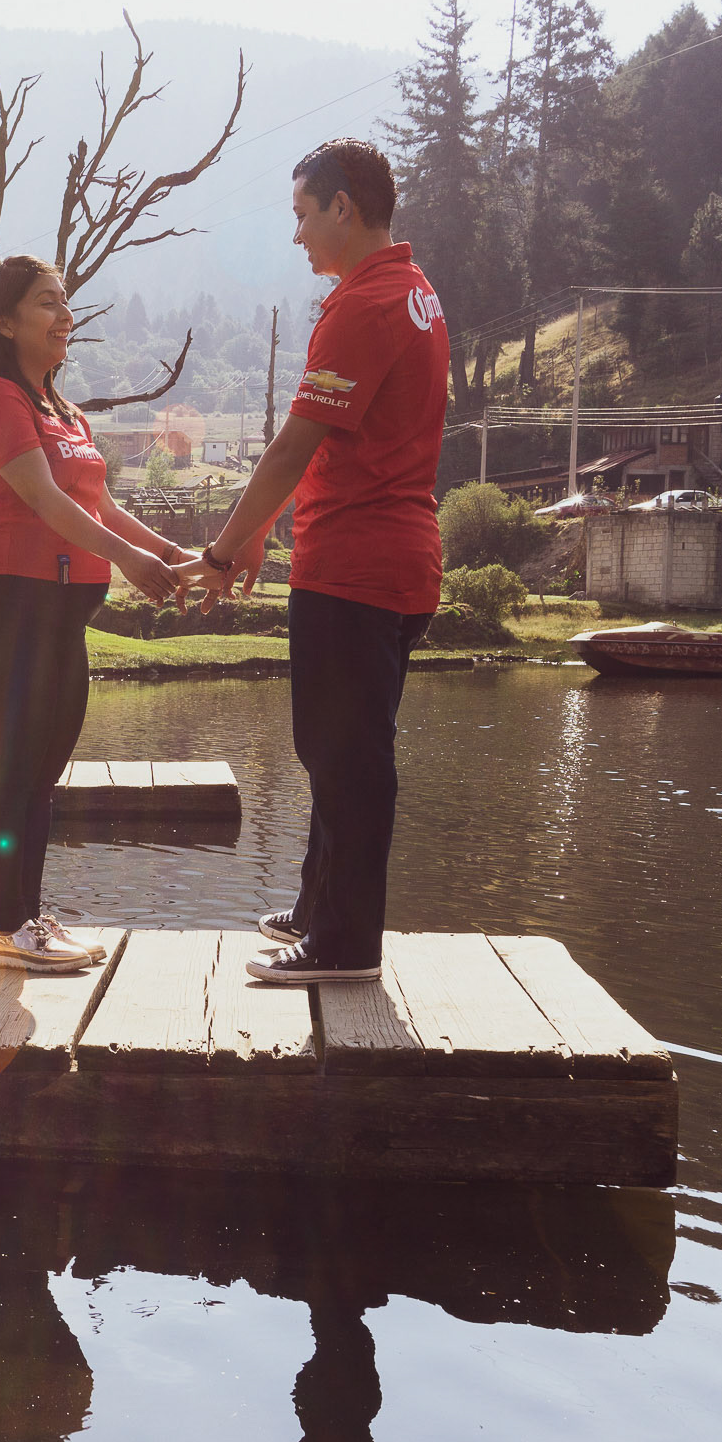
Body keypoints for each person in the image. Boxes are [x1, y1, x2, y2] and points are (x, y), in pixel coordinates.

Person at [176, 138, 448, 986]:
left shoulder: (365, 305)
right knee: (337, 747)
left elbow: (296, 443)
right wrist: (263, 534)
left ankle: (343, 947)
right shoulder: (411, 293)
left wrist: (223, 547)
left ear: (342, 207)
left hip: (356, 565)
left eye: (301, 215)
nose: (296, 236)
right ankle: (317, 905)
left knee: (346, 755)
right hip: (391, 557)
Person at [0, 255, 183, 972]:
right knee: (8, 778)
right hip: (2, 615)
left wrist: (178, 555)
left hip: (57, 623)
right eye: (48, 302)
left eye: (66, 302)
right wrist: (135, 567)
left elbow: (99, 505)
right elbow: (45, 501)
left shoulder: (64, 411)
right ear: (7, 321)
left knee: (40, 779)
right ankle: (4, 926)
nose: (65, 315)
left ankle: (24, 921)